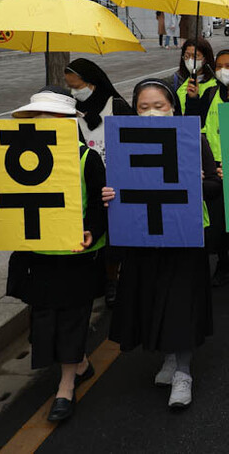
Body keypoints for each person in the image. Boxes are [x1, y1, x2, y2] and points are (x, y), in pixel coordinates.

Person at [0, 87, 106, 422]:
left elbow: (97, 206)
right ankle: (80, 364)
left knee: (71, 321)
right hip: (37, 258)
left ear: (69, 123)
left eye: (51, 118)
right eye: (37, 118)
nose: (43, 124)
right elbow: (7, 203)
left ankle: (65, 387)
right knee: (44, 321)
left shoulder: (87, 158)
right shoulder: (14, 157)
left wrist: (91, 230)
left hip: (75, 257)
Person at [104, 79, 217, 410]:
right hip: (144, 239)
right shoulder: (123, 144)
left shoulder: (193, 140)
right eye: (144, 107)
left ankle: (184, 371)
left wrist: (197, 181)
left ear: (173, 108)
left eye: (159, 106)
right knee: (156, 300)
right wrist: (108, 195)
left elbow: (215, 185)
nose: (152, 113)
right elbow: (117, 187)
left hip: (184, 238)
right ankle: (170, 357)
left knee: (181, 303)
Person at [63, 58, 133, 308]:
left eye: (77, 86)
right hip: (88, 180)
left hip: (116, 178)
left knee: (115, 235)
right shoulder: (70, 111)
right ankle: (99, 276)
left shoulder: (116, 105)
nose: (74, 92)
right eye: (69, 87)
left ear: (92, 83)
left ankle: (113, 278)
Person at [186, 49, 229, 286]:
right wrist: (192, 100)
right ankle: (223, 262)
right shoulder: (210, 94)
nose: (223, 70)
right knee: (217, 219)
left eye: (228, 65)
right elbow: (194, 124)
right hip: (214, 167)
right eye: (218, 66)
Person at [172, 38, 217, 111]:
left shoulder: (215, 84)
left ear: (205, 59)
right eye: (187, 56)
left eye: (195, 56)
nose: (190, 60)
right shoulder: (178, 81)